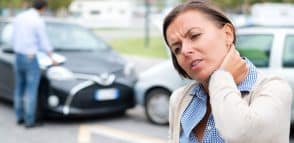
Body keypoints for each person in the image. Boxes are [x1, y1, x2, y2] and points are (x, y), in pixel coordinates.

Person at [163, 1, 292, 143]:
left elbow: (240, 133)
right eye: (177, 48)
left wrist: (222, 77)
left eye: (194, 35)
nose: (185, 50)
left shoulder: (274, 89)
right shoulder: (180, 99)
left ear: (228, 34)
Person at [12, 0, 57, 128]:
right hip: (30, 57)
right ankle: (30, 121)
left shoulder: (19, 17)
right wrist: (51, 57)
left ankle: (19, 117)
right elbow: (43, 41)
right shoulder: (37, 21)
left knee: (19, 88)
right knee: (31, 90)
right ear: (43, 8)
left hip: (18, 56)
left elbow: (13, 37)